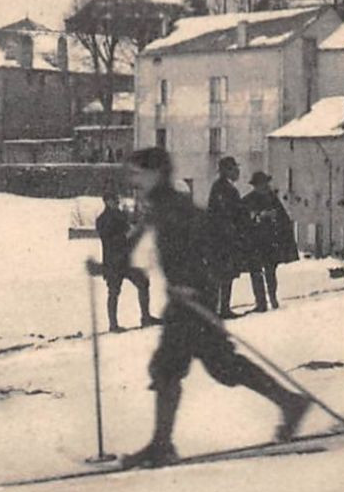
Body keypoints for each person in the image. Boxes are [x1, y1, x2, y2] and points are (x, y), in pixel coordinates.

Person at [102, 148, 309, 470]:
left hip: (193, 299)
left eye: (138, 173)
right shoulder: (159, 205)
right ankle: (289, 402)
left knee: (180, 368)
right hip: (185, 300)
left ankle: (162, 445)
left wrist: (193, 285)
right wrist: (107, 268)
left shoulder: (176, 207)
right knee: (213, 366)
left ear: (156, 173)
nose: (133, 179)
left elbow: (208, 245)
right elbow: (136, 245)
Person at [94, 189, 157, 332]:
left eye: (116, 200)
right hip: (113, 261)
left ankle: (145, 318)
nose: (116, 202)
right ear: (106, 202)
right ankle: (113, 325)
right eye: (113, 200)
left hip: (125, 260)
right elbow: (111, 238)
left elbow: (130, 229)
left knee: (143, 283)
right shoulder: (103, 219)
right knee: (114, 292)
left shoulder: (119, 215)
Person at [242, 171, 299, 312]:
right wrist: (259, 216)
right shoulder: (248, 200)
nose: (264, 186)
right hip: (255, 242)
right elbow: (243, 220)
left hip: (270, 242)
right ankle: (261, 302)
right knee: (256, 272)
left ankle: (272, 298)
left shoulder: (272, 199)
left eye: (266, 183)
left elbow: (283, 219)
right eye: (261, 184)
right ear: (255, 185)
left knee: (271, 271)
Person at [205, 155, 250, 318]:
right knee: (221, 274)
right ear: (225, 171)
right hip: (222, 239)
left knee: (226, 274)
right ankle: (220, 309)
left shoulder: (224, 188)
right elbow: (224, 215)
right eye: (233, 168)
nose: (237, 171)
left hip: (225, 238)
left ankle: (222, 307)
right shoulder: (222, 189)